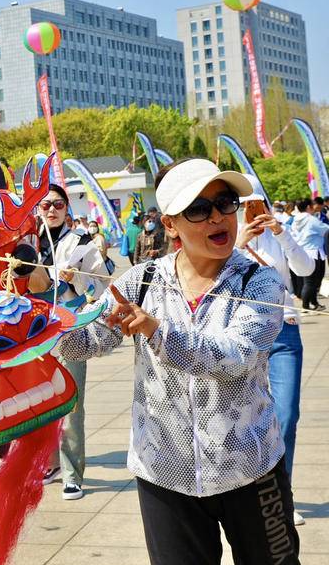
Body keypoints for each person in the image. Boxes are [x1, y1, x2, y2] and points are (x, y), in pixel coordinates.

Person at [59, 159, 299, 564]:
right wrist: (34, 317)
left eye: (225, 203)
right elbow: (85, 342)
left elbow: (234, 355)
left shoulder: (259, 282)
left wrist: (157, 331)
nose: (218, 218)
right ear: (170, 225)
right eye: (198, 210)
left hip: (251, 470)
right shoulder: (141, 281)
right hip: (165, 471)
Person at [236, 178, 313, 526]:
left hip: (285, 331)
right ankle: (247, 494)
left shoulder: (281, 233)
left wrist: (282, 232)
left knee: (286, 415)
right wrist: (240, 241)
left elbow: (305, 269)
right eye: (243, 204)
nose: (252, 211)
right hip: (244, 334)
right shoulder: (229, 236)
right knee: (245, 418)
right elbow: (214, 277)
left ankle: (282, 494)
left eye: (257, 203)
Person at [23, 185, 106, 501]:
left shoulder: (81, 242)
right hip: (33, 335)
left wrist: (77, 279)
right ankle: (51, 464)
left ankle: (72, 474)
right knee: (39, 405)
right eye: (45, 205)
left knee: (70, 403)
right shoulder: (28, 244)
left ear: (67, 207)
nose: (51, 209)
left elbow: (100, 289)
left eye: (57, 204)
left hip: (68, 333)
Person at [291, 197, 329, 311]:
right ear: (308, 207)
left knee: (308, 281)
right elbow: (326, 229)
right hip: (313, 252)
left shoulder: (296, 220)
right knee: (311, 281)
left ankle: (313, 303)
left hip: (304, 252)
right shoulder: (311, 220)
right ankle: (306, 306)